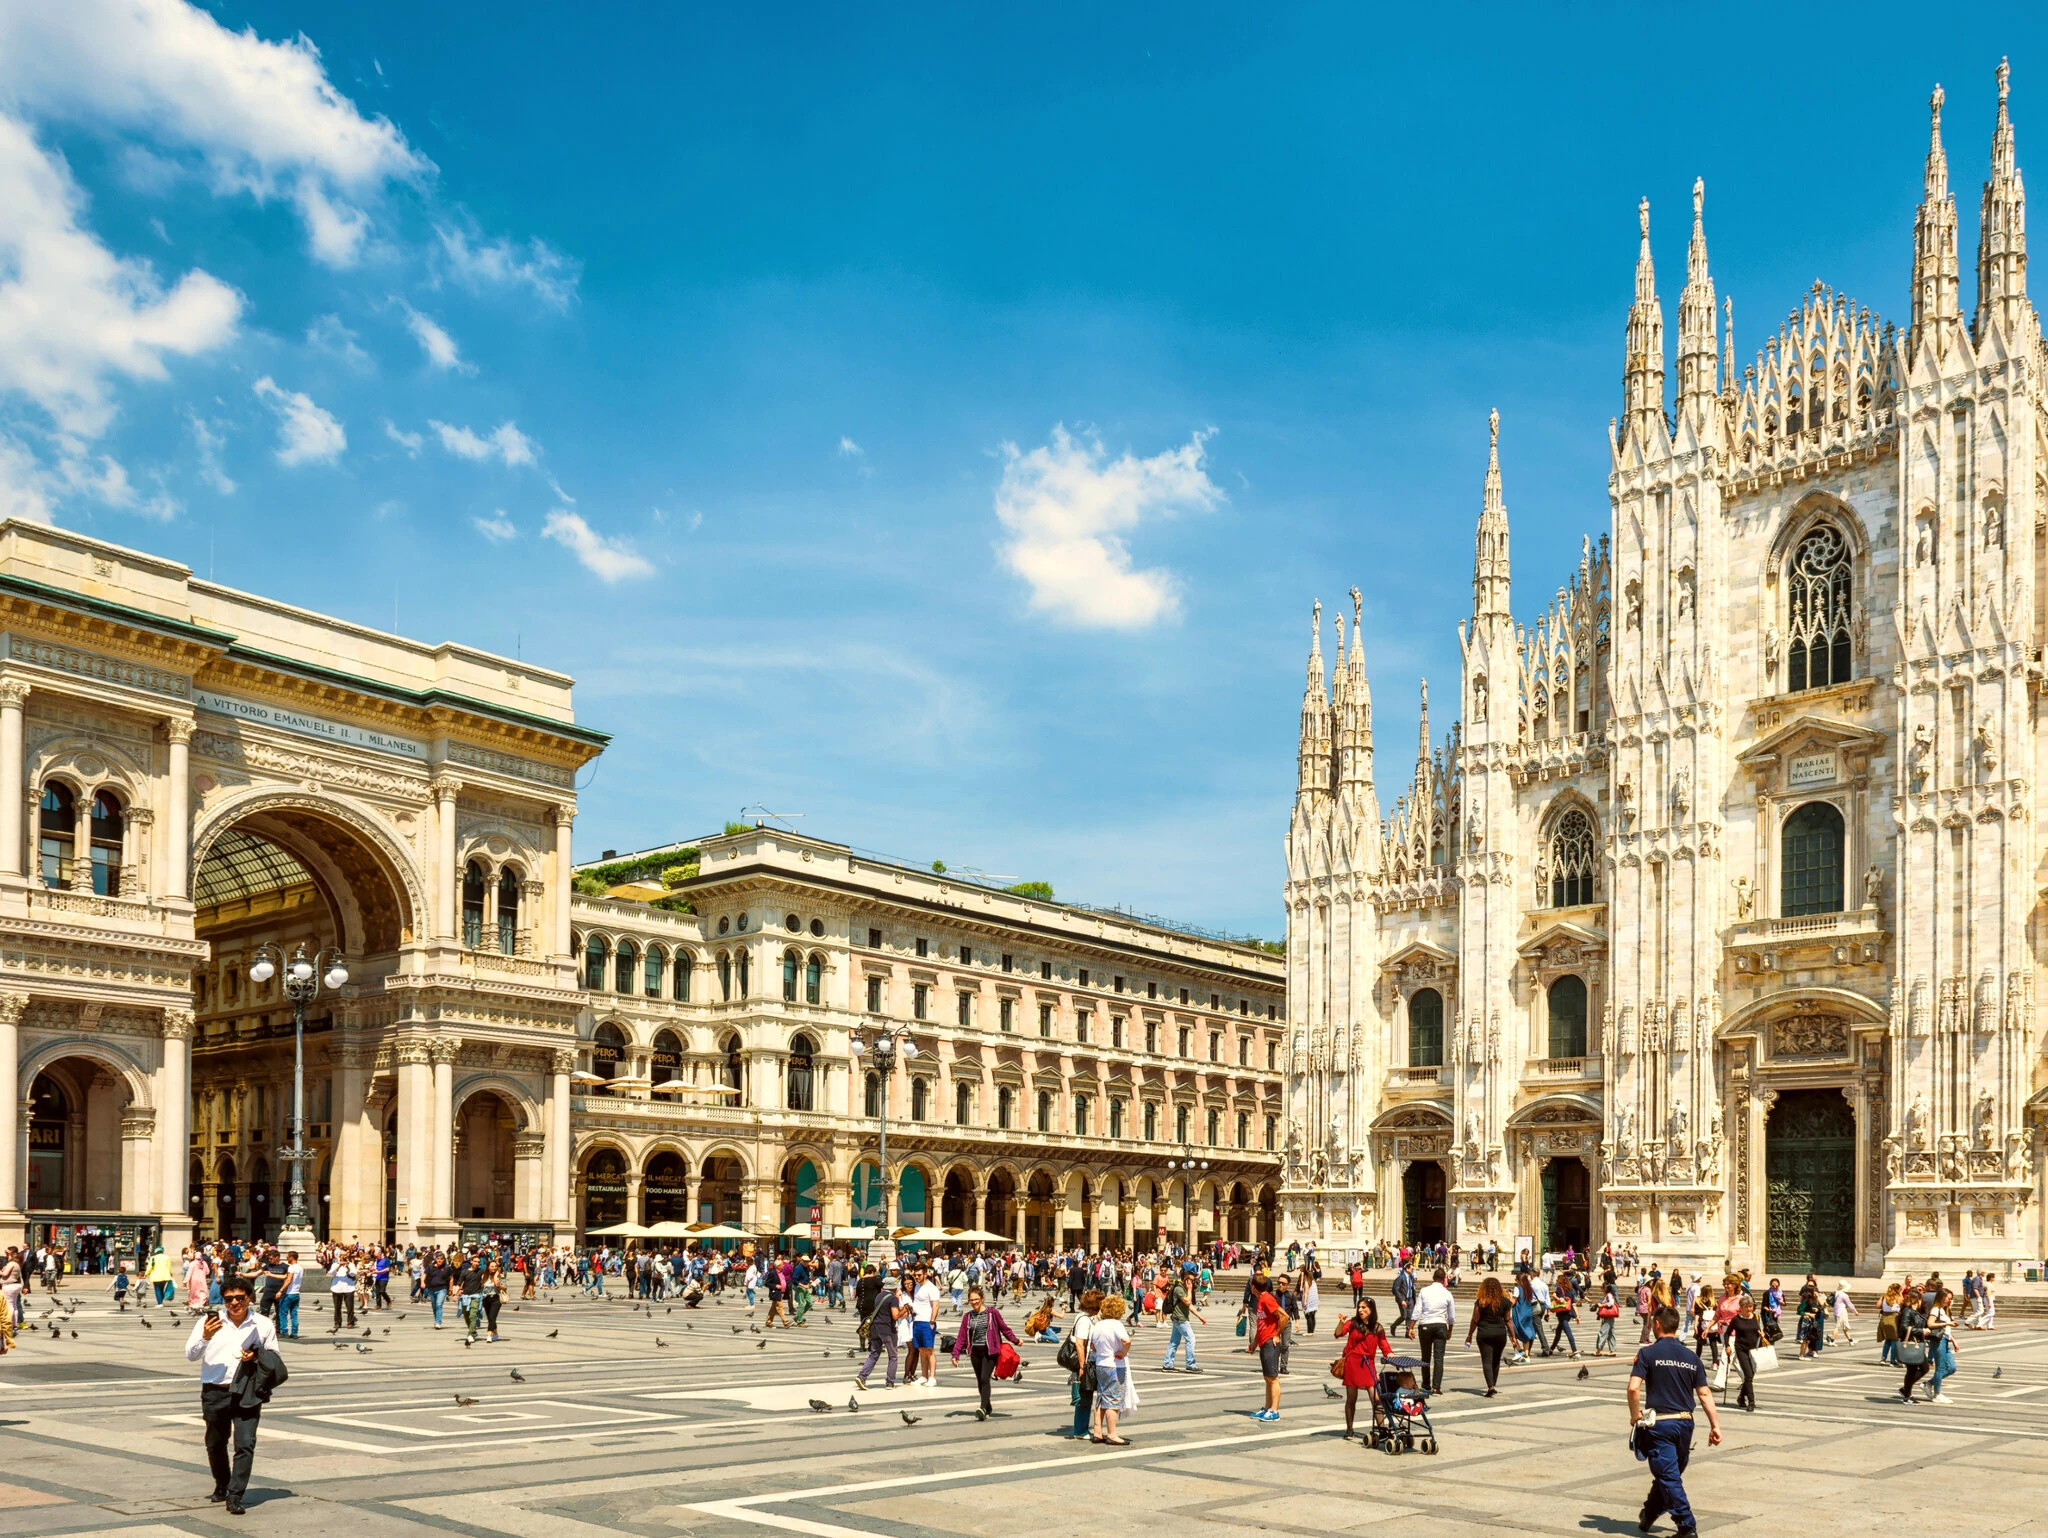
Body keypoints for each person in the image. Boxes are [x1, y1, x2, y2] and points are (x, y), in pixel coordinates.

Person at [185, 1274, 282, 1515]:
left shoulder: (263, 1324)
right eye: (229, 1299)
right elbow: (191, 1354)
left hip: (248, 1391)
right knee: (215, 1443)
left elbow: (274, 1357)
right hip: (215, 1390)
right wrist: (206, 1337)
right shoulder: (210, 1322)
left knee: (245, 1444)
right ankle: (222, 1483)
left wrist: (256, 1356)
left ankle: (236, 1494)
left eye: (240, 1297)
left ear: (249, 1298)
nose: (234, 1303)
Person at [1628, 1305, 1722, 1538]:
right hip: (1685, 1424)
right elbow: (1704, 1393)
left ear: (1657, 1325)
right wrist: (1715, 1425)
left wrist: (1634, 1415)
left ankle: (1686, 1526)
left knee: (1668, 1477)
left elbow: (1633, 1388)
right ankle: (1649, 1513)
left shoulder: (1648, 1353)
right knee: (1669, 1473)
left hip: (1661, 1424)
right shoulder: (1691, 1356)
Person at [949, 1285, 1019, 1421]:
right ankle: (987, 1405)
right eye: (971, 1300)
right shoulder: (967, 1317)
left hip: (990, 1351)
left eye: (976, 1299)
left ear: (982, 1299)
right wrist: (955, 1355)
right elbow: (961, 1337)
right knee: (980, 1381)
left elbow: (1005, 1329)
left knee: (984, 1379)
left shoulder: (992, 1313)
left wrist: (1015, 1341)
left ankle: (982, 1408)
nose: (974, 1302)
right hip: (975, 1351)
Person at [1335, 1296, 1394, 1438]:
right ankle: (1349, 1429)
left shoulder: (1378, 1328)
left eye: (1364, 1307)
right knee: (1351, 1398)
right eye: (1359, 1307)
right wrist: (1341, 1323)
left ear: (1371, 1310)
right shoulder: (1352, 1323)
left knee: (1376, 1398)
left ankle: (1382, 1429)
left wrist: (1390, 1354)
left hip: (1368, 1364)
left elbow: (1384, 1344)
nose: (1360, 1310)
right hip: (1352, 1363)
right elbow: (1338, 1334)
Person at [1089, 1294, 1133, 1445]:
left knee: (1101, 1396)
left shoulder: (1098, 1324)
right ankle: (1112, 1434)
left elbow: (1092, 1346)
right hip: (1114, 1365)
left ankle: (1097, 1432)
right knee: (1113, 1399)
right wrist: (1123, 1352)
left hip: (1100, 1364)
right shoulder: (1116, 1324)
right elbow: (1126, 1340)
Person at [853, 1268, 907, 1391]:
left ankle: (862, 1377)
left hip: (875, 1329)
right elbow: (895, 1315)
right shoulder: (893, 1298)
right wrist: (905, 1309)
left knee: (874, 1354)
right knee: (893, 1356)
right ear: (895, 1287)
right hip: (887, 1330)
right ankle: (890, 1382)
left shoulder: (879, 1296)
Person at [1248, 1272, 1289, 1423]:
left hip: (1271, 1343)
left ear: (1253, 1287)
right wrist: (1254, 1344)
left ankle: (1274, 1410)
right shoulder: (1261, 1300)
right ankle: (1267, 1408)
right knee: (1267, 1378)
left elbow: (1284, 1316)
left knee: (1273, 1378)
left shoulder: (1266, 1299)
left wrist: (1277, 1334)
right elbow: (1262, 1324)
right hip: (1264, 1342)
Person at [1465, 1274, 1513, 1397]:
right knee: (1496, 1360)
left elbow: (1475, 1320)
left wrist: (1469, 1335)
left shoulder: (1480, 1302)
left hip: (1484, 1333)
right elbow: (1508, 1320)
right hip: (1500, 1333)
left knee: (1486, 1360)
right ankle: (1493, 1385)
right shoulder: (1505, 1302)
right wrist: (1513, 1337)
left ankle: (1490, 1386)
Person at [1412, 1266, 1456, 1393]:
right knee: (1439, 1357)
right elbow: (1451, 1315)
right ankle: (1436, 1387)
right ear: (1444, 1279)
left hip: (1425, 1325)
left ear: (1433, 1278)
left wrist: (1411, 1327)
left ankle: (1426, 1384)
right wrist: (1450, 1330)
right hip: (1441, 1325)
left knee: (1425, 1356)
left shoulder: (1424, 1291)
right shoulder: (1447, 1293)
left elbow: (1417, 1310)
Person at [1159, 1268, 1206, 1371]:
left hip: (1179, 1318)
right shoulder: (1179, 1289)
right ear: (1185, 1280)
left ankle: (1168, 1364)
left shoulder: (1183, 1288)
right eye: (1191, 1280)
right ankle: (1190, 1364)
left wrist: (1200, 1317)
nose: (1193, 1283)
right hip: (1180, 1319)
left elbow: (1190, 1306)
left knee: (1174, 1342)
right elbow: (1188, 1302)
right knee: (1191, 1339)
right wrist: (1189, 1289)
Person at [1727, 1295, 1763, 1413]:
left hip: (1753, 1350)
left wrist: (1762, 1334)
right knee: (1748, 1374)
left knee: (1750, 1375)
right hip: (1741, 1348)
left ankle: (1741, 1397)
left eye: (1751, 1307)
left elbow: (1758, 1331)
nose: (1749, 1309)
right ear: (1741, 1308)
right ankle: (1751, 1401)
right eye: (1747, 1307)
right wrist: (1727, 1345)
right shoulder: (1736, 1319)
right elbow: (1727, 1333)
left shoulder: (1756, 1317)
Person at [910, 1264, 941, 1387]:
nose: (916, 1277)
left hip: (927, 1322)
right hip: (917, 1321)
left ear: (925, 1274)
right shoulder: (916, 1286)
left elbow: (935, 1305)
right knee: (921, 1350)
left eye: (919, 1275)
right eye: (915, 1275)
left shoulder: (931, 1288)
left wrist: (932, 1321)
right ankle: (923, 1376)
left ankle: (932, 1377)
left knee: (929, 1350)